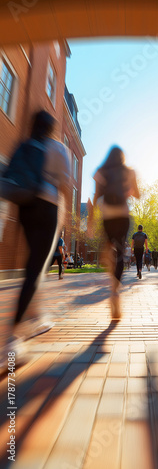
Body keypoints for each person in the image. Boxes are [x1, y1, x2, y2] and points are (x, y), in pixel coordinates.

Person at [0, 110, 70, 365]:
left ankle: (35, 316)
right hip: (47, 207)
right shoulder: (58, 149)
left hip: (25, 206)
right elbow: (64, 183)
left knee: (35, 265)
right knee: (35, 268)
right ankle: (11, 341)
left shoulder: (25, 144)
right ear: (51, 128)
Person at [93, 146, 140, 318]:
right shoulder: (129, 171)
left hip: (107, 215)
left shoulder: (101, 171)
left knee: (108, 249)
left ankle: (106, 251)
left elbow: (96, 194)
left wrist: (90, 220)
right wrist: (129, 189)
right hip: (122, 214)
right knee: (120, 253)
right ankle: (115, 293)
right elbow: (138, 194)